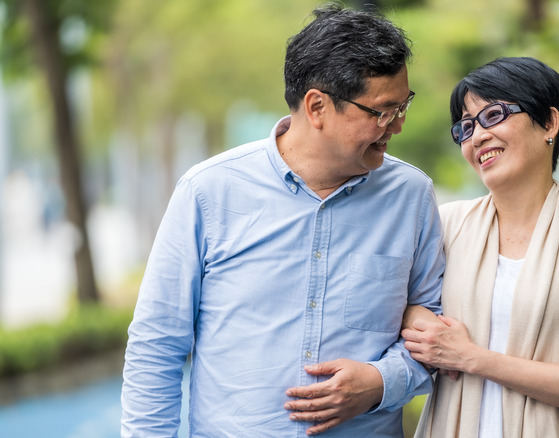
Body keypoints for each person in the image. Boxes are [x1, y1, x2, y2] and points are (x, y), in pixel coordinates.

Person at [120, 5, 444, 437]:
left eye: (403, 106)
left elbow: (437, 338)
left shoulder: (412, 197)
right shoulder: (209, 193)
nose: (397, 126)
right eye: (382, 112)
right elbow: (157, 347)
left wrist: (379, 383)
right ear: (317, 107)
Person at [401, 57, 559, 437]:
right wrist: (413, 318)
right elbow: (390, 303)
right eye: (466, 126)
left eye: (493, 115)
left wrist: (472, 358)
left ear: (549, 122)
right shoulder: (445, 225)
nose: (477, 136)